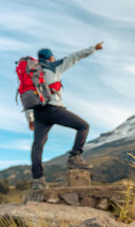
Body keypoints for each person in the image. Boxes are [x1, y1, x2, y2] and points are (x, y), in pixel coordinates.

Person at [25, 42, 104, 189]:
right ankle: (75, 156)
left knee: (37, 145)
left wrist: (30, 119)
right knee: (83, 126)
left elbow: (28, 95)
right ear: (50, 58)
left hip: (38, 114)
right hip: (54, 109)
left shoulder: (30, 73)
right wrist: (94, 48)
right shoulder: (54, 66)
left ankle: (38, 180)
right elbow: (75, 57)